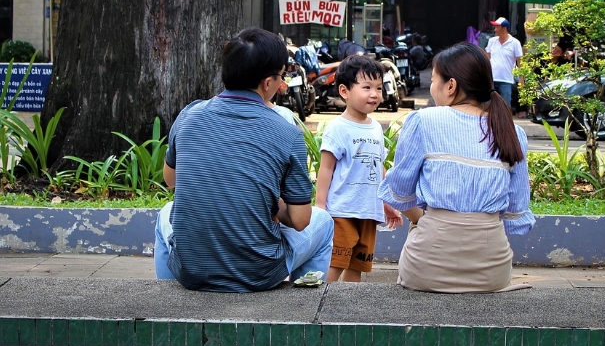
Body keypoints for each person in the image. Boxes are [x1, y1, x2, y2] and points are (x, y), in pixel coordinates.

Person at [153, 27, 334, 292]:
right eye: (281, 77)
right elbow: (301, 220)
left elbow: (171, 181)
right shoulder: (287, 132)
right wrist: (274, 206)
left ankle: (169, 299)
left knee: (164, 214)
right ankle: (302, 306)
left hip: (191, 271)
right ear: (268, 82)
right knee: (324, 222)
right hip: (258, 273)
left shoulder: (189, 115)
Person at [377, 42, 535, 293]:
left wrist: (427, 220)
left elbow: (399, 191)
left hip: (427, 266)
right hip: (492, 270)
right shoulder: (512, 131)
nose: (431, 87)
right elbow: (516, 212)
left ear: (451, 86)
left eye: (433, 80)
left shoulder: (423, 121)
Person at [315, 55, 403, 282]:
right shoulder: (338, 128)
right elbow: (326, 169)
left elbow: (377, 166)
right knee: (336, 263)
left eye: (378, 88)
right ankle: (321, 305)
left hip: (368, 211)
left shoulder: (375, 128)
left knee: (357, 265)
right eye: (366, 87)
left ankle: (345, 310)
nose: (375, 94)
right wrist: (321, 206)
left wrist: (386, 202)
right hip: (342, 210)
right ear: (344, 91)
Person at [485, 17, 525, 117]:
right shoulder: (492, 41)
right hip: (492, 79)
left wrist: (522, 81)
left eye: (497, 27)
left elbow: (520, 63)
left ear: (504, 28)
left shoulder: (515, 43)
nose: (495, 30)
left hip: (506, 80)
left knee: (505, 107)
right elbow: (487, 58)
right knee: (488, 106)